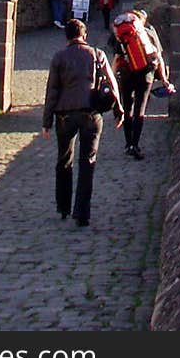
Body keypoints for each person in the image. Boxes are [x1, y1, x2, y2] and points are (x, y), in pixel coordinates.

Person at [42, 19, 123, 226]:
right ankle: (82, 212)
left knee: (64, 160)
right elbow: (111, 83)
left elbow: (52, 90)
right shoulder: (97, 54)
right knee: (88, 162)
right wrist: (118, 109)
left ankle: (63, 206)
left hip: (64, 116)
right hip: (91, 115)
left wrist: (46, 121)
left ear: (67, 36)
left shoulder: (59, 57)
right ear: (84, 35)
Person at [110, 8, 174, 161]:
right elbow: (158, 58)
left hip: (127, 75)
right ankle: (135, 145)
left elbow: (116, 59)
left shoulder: (123, 36)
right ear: (142, 21)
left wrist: (111, 77)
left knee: (127, 108)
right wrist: (164, 79)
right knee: (140, 109)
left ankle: (127, 144)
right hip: (145, 75)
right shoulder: (149, 34)